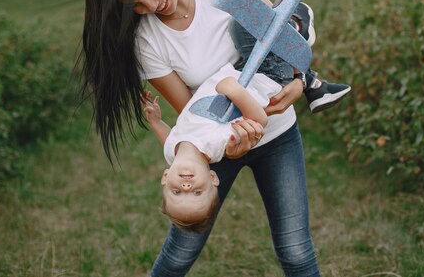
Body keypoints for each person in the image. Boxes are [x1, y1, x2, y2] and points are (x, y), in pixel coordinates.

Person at [80, 0, 346, 276]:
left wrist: (297, 82)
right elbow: (192, 110)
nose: (149, 8)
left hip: (278, 136)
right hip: (212, 149)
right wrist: (231, 145)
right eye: (136, 7)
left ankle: (311, 68)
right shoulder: (146, 40)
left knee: (295, 251)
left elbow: (277, 38)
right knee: (179, 254)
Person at [144, 12, 351, 233]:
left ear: (165, 178)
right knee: (243, 24)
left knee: (243, 26)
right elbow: (259, 120)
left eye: (178, 192)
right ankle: (298, 25)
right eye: (197, 192)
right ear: (212, 178)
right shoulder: (216, 144)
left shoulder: (172, 152)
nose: (186, 186)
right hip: (267, 78)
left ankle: (312, 81)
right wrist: (233, 91)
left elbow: (168, 138)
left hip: (242, 72)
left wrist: (156, 121)